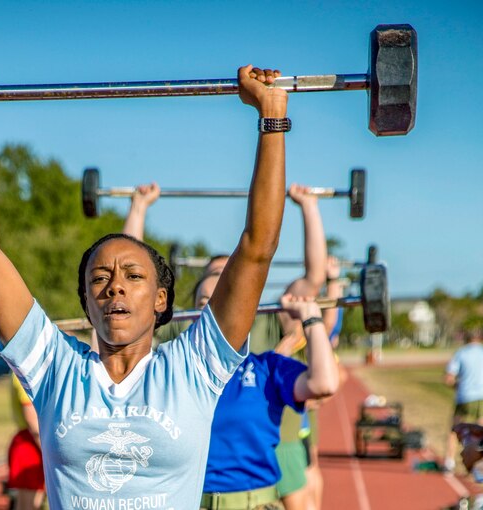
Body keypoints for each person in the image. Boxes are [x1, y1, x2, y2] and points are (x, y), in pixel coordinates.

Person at [0, 64, 288, 508]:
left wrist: (272, 115)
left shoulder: (194, 368)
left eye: (133, 276)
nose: (114, 288)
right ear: (86, 302)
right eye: (100, 279)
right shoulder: (54, 368)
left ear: (162, 299)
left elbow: (257, 248)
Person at [122, 184, 338, 510]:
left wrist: (309, 206)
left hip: (260, 471)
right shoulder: (179, 346)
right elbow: (131, 286)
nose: (215, 315)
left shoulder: (264, 351)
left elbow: (313, 279)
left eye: (227, 295)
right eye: (206, 302)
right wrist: (138, 209)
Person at [444, 330, 483, 473]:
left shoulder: (461, 353)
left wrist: (458, 386)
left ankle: (449, 462)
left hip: (464, 396)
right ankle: (482, 467)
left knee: (455, 430)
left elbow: (449, 378)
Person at [7, 374, 46, 510]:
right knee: (30, 503)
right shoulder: (24, 372)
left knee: (25, 502)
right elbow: (31, 420)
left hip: (29, 441)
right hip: (32, 444)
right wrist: (48, 451)